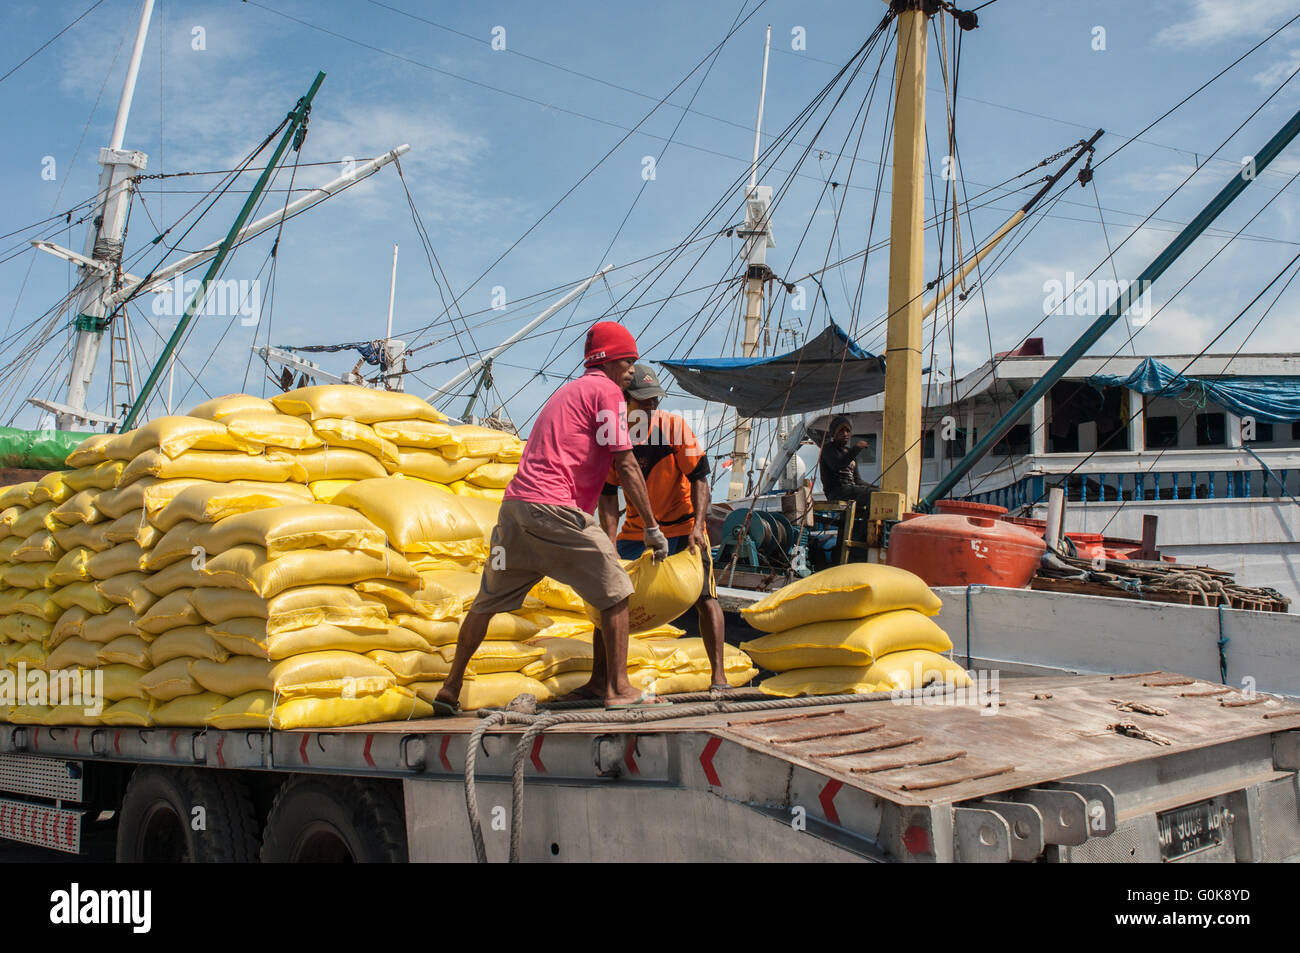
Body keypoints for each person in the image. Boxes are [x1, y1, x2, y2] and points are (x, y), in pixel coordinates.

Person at [433, 322, 670, 715]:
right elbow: (625, 464)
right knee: (618, 591)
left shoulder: (569, 392)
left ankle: (450, 687)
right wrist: (651, 528)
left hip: (516, 511)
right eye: (628, 361)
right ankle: (619, 688)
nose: (632, 369)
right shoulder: (607, 392)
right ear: (610, 360)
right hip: (555, 511)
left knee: (485, 603)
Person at [588, 364, 733, 695]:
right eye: (644, 401)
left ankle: (719, 678)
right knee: (607, 594)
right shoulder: (614, 437)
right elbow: (607, 495)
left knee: (706, 597)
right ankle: (599, 679)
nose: (652, 407)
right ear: (624, 401)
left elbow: (700, 478)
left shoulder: (674, 428)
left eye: (655, 400)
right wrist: (609, 541)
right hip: (637, 530)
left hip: (683, 525)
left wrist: (698, 526)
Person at [818, 415, 877, 511]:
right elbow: (837, 465)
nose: (845, 434)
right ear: (833, 434)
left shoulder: (848, 452)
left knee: (879, 493)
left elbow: (857, 480)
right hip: (836, 492)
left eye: (847, 431)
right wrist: (857, 448)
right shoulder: (828, 449)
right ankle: (865, 526)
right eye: (841, 431)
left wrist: (875, 486)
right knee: (873, 495)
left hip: (850, 490)